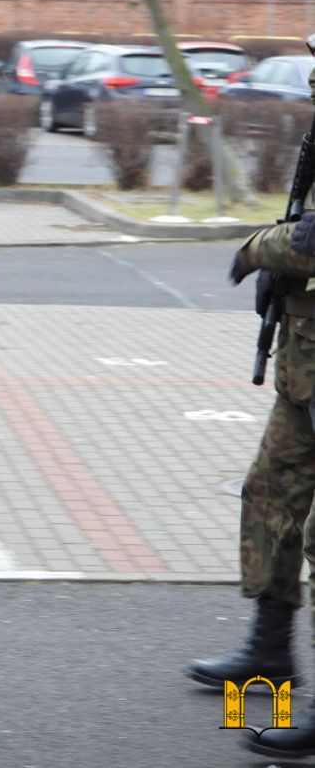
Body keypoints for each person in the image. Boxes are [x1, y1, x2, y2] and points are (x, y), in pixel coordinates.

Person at [223, 187, 315, 757]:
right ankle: (270, 650)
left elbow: (309, 243)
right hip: (303, 369)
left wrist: (257, 249)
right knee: (268, 494)